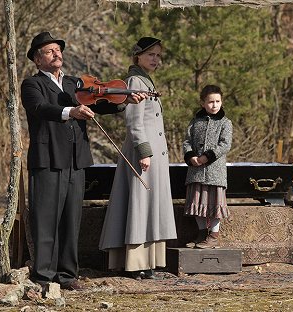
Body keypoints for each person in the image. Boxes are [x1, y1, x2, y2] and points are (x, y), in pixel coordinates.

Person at [21, 31, 146, 290]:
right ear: (37, 59)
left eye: (58, 50)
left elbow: (99, 102)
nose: (57, 54)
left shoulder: (73, 83)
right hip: (47, 158)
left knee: (71, 219)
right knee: (45, 220)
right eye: (49, 51)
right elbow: (40, 109)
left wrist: (124, 100)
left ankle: (67, 275)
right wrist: (71, 111)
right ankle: (43, 276)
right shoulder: (32, 85)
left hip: (76, 160)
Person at [98, 37, 177, 280]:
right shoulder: (134, 80)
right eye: (151, 54)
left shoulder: (145, 80)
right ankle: (136, 263)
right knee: (140, 205)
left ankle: (149, 261)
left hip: (154, 154)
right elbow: (134, 121)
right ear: (138, 56)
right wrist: (144, 152)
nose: (156, 59)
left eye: (158, 55)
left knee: (150, 206)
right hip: (143, 153)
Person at [183, 85, 233, 249]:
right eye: (210, 101)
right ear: (202, 103)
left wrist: (207, 157)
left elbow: (225, 145)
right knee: (197, 203)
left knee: (214, 203)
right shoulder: (195, 122)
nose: (214, 105)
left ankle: (213, 236)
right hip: (195, 170)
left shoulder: (226, 123)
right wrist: (191, 157)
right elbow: (187, 141)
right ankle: (202, 233)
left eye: (218, 101)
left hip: (215, 172)